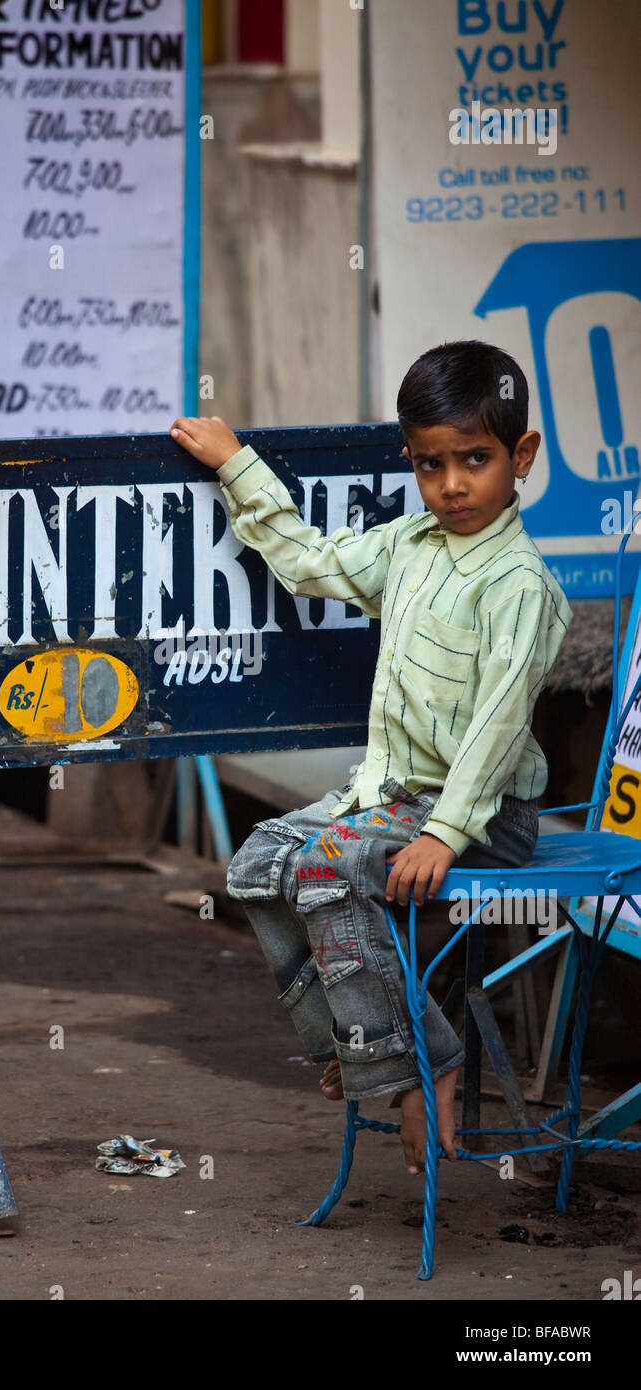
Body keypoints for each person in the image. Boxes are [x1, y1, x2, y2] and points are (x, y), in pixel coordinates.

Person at [169, 339, 572, 1175]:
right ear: (411, 463)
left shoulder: (520, 584)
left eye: (475, 459)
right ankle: (363, 1045)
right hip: (394, 797)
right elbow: (312, 565)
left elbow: (498, 729)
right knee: (257, 861)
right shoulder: (411, 545)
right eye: (431, 464)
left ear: (521, 456)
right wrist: (237, 463)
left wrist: (446, 834)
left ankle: (423, 1065)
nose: (453, 485)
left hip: (481, 813)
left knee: (326, 869)